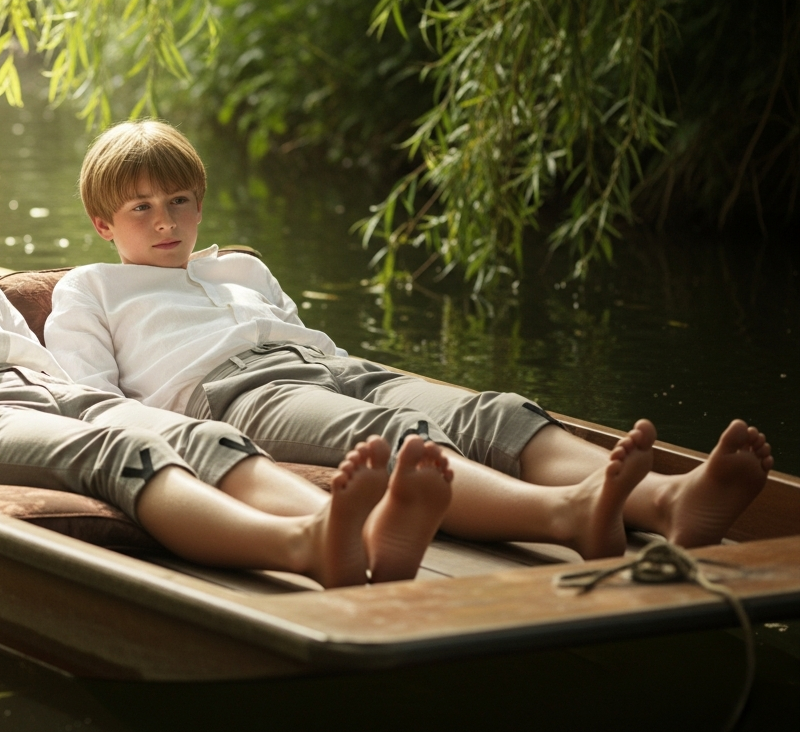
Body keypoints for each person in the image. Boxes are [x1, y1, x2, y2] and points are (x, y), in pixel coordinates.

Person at [0, 116, 454, 588]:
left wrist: (104, 406)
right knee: (115, 456)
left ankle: (357, 536)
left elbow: (62, 372)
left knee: (194, 435)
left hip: (55, 397)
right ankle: (301, 544)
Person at [44, 120, 775, 574]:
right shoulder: (92, 288)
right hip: (241, 395)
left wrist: (343, 373)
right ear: (105, 223)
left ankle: (670, 498)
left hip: (329, 364)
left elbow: (313, 340)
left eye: (179, 202)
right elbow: (96, 401)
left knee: (494, 410)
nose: (166, 222)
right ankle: (566, 515)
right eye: (141, 208)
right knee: (396, 437)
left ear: (199, 202)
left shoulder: (241, 267)